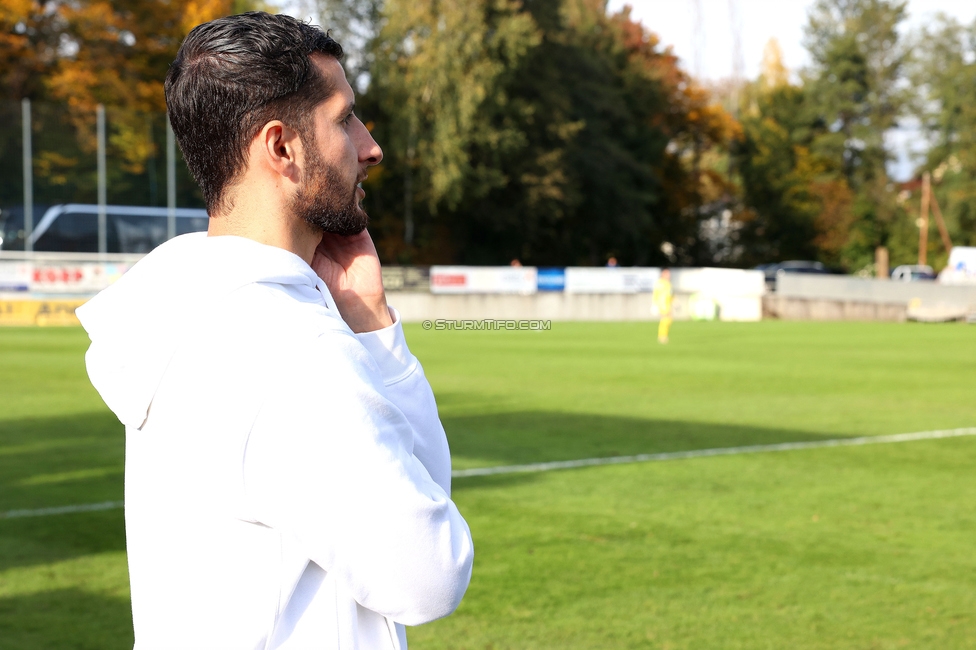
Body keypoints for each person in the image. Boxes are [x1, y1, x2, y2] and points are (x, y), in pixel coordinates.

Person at [75, 12, 472, 650]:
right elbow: (430, 574)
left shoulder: (188, 312)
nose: (369, 146)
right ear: (281, 147)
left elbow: (415, 495)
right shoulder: (289, 350)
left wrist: (369, 323)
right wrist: (371, 338)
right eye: (344, 119)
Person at [653, 268, 673, 343]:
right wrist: (655, 304)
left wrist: (675, 302)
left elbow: (670, 294)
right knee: (665, 319)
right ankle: (662, 336)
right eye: (667, 274)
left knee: (669, 319)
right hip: (662, 304)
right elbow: (656, 294)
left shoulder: (668, 283)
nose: (669, 276)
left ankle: (664, 335)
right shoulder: (659, 283)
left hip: (667, 304)